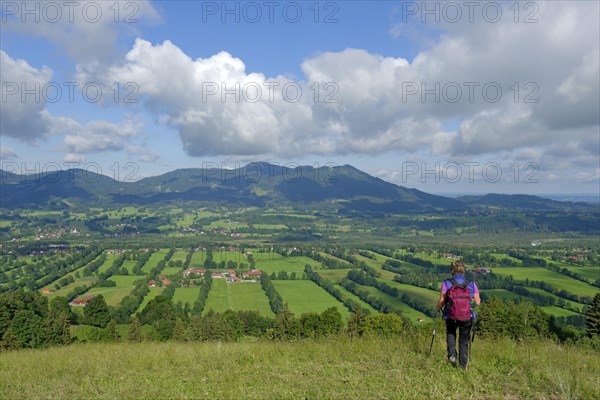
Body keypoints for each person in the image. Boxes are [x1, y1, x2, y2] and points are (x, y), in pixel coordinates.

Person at [436, 260, 480, 370]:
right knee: (464, 341)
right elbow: (478, 302)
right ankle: (462, 366)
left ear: (452, 270)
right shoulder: (471, 283)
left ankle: (452, 356)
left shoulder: (446, 283)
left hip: (450, 315)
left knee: (451, 334)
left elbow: (442, 300)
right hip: (467, 316)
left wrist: (438, 308)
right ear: (463, 270)